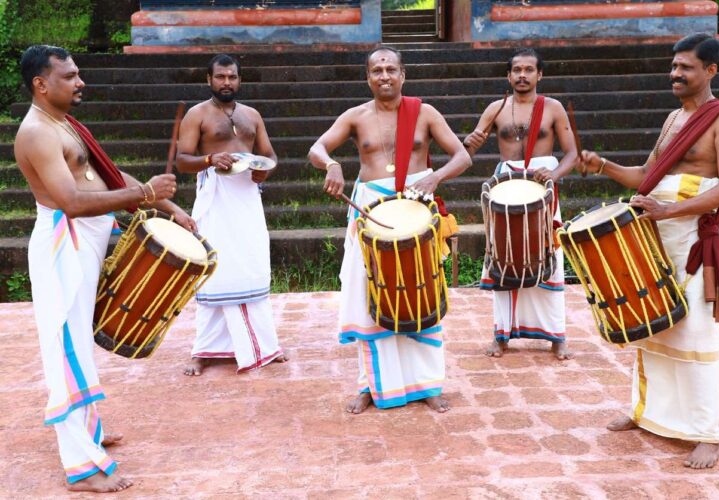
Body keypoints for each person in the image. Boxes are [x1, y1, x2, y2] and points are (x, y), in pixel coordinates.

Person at [14, 45, 194, 493]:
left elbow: (111, 175)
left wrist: (169, 205)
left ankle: (87, 432)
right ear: (41, 83)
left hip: (89, 240)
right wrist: (146, 196)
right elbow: (72, 202)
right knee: (65, 349)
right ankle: (79, 468)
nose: (80, 82)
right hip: (64, 244)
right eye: (70, 76)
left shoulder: (66, 123)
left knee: (80, 342)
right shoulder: (37, 132)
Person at [579, 33, 719, 469]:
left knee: (695, 333)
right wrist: (603, 166)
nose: (675, 73)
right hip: (657, 236)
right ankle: (647, 412)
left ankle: (706, 432)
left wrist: (669, 210)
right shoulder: (674, 118)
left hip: (692, 241)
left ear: (710, 71)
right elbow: (645, 176)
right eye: (674, 66)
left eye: (686, 67)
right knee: (650, 324)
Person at [308, 46, 471, 414]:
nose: (384, 76)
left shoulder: (424, 113)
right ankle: (369, 385)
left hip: (415, 209)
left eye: (391, 69)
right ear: (368, 77)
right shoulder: (355, 116)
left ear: (403, 75)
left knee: (420, 289)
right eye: (377, 70)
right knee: (369, 295)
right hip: (370, 212)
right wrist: (331, 163)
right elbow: (317, 147)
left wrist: (437, 176)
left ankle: (428, 385)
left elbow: (462, 156)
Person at [463, 47, 578, 361]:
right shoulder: (496, 108)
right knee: (503, 258)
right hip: (505, 189)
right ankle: (501, 336)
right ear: (508, 75)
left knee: (549, 257)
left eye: (529, 69)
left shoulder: (552, 108)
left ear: (540, 74)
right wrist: (468, 144)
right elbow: (467, 151)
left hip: (542, 189)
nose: (523, 75)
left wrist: (553, 173)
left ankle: (557, 338)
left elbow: (572, 154)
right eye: (517, 70)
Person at [176, 54, 286, 376]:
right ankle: (204, 349)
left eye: (232, 77)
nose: (227, 82)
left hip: (247, 198)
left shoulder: (252, 115)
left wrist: (265, 172)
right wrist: (210, 158)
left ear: (240, 79)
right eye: (221, 77)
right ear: (208, 80)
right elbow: (183, 161)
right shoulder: (197, 115)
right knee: (215, 269)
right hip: (215, 198)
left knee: (252, 264)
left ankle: (265, 345)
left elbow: (269, 155)